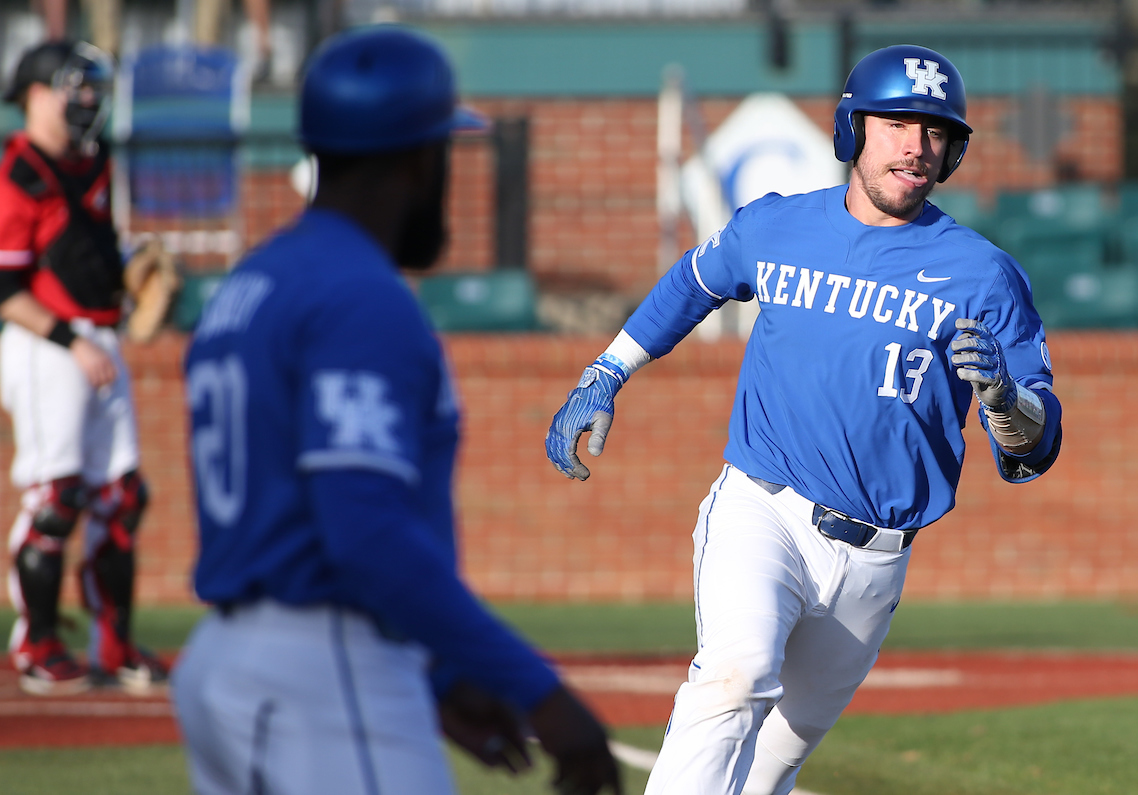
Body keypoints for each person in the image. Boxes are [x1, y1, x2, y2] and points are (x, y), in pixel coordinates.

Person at [546, 44, 1063, 795]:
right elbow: (695, 281)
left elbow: (1034, 445)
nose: (916, 146)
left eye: (935, 131)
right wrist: (607, 370)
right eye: (896, 124)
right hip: (766, 508)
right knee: (735, 676)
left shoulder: (982, 274)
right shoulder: (778, 227)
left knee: (767, 770)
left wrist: (1006, 404)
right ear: (853, 129)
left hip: (878, 558)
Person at [171, 25, 622, 795]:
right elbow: (365, 531)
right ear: (419, 160)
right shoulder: (359, 295)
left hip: (228, 661)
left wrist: (445, 675)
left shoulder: (255, 281)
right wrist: (540, 692)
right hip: (324, 670)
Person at [0, 40, 169, 696]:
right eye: (77, 88)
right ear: (37, 95)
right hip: (48, 346)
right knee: (58, 496)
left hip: (100, 340)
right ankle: (37, 642)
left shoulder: (94, 163)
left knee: (123, 495)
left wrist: (134, 271)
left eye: (92, 90)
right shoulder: (19, 174)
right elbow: (7, 290)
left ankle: (114, 643)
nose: (89, 102)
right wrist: (74, 340)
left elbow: (89, 246)